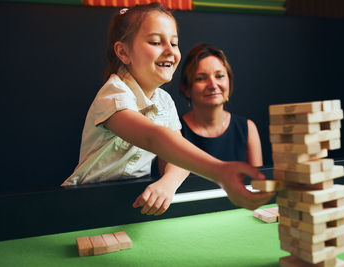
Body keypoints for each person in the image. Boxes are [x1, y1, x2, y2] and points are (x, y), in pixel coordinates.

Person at [62, 3, 273, 216]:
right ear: (123, 52)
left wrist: (167, 184)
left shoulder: (165, 101)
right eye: (155, 42)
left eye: (174, 43)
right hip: (83, 203)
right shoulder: (113, 93)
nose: (170, 51)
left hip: (130, 202)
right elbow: (154, 138)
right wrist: (219, 170)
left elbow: (178, 156)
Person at [179, 43, 263, 166]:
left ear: (229, 80)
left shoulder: (248, 129)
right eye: (200, 78)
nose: (213, 85)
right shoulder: (175, 132)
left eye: (219, 76)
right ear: (186, 88)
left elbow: (256, 184)